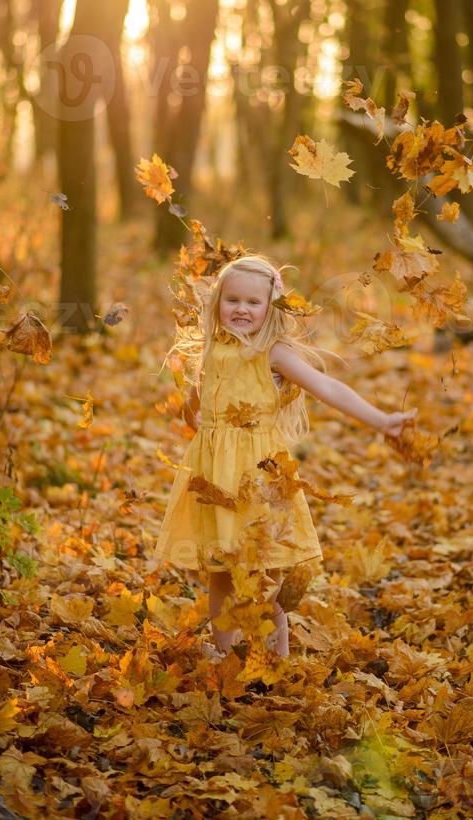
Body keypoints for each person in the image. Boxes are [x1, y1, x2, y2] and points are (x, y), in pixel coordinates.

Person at [151, 254, 416, 658]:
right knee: (222, 572)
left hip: (259, 476)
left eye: (252, 302)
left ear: (270, 307)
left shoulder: (272, 353)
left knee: (263, 571)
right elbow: (194, 405)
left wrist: (381, 420)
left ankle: (278, 657)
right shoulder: (211, 350)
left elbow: (328, 388)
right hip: (215, 477)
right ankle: (224, 655)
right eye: (233, 300)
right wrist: (202, 430)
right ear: (218, 302)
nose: (241, 309)